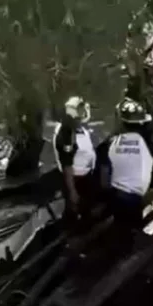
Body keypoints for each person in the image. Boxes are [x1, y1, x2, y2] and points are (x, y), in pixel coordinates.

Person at [97, 99, 153, 231]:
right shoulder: (151, 143)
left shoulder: (108, 145)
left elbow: (104, 182)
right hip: (138, 199)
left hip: (117, 199)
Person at [54, 95, 97, 223]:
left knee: (86, 211)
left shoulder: (79, 128)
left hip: (85, 177)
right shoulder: (66, 133)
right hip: (75, 180)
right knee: (74, 212)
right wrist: (72, 191)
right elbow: (67, 164)